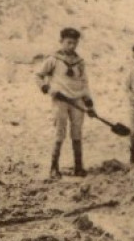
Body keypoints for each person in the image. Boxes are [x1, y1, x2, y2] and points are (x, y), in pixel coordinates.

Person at [36, 28, 95, 179]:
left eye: (74, 43)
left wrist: (88, 103)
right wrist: (47, 88)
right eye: (68, 42)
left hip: (77, 100)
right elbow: (39, 75)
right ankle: (54, 168)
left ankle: (78, 167)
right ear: (61, 41)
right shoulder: (53, 59)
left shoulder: (80, 62)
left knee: (77, 132)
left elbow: (84, 82)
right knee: (60, 132)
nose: (72, 46)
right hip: (60, 100)